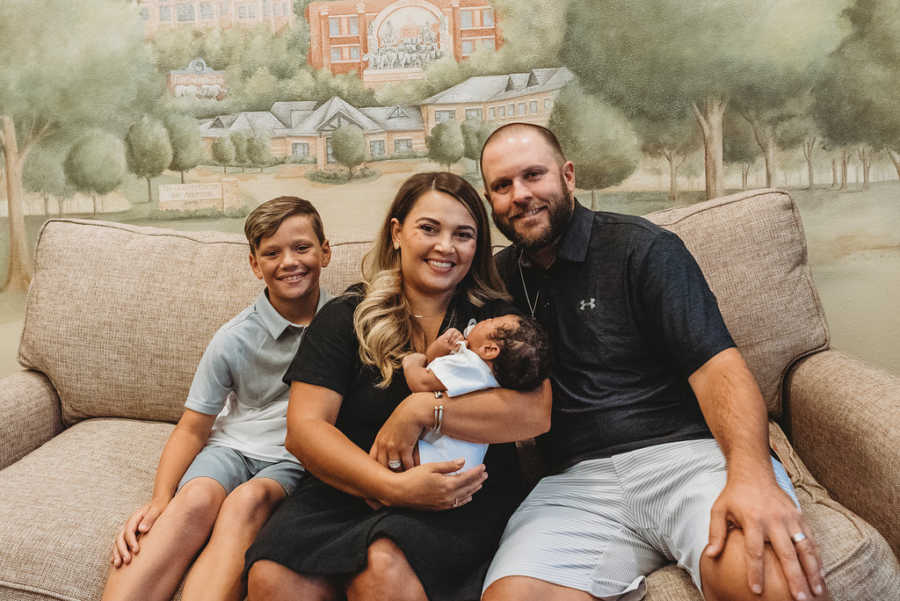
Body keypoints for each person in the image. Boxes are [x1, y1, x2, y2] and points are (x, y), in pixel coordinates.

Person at [477, 123, 829, 601]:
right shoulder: (496, 282)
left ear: (568, 176)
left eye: (533, 175)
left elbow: (719, 370)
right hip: (573, 485)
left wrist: (752, 477)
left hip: (687, 458)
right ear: (490, 199)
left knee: (771, 582)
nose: (520, 195)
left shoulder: (642, 248)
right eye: (502, 185)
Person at [244, 172, 552, 601]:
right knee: (273, 579)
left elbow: (536, 414)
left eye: (463, 235)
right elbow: (304, 429)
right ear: (397, 233)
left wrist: (424, 409)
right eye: (429, 228)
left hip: (456, 494)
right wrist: (389, 487)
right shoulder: (346, 314)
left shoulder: (494, 320)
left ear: (476, 248)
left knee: (381, 568)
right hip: (348, 488)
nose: (445, 246)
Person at [102, 196, 333, 601]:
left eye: (301, 247)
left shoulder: (346, 323)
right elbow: (193, 428)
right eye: (272, 253)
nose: (289, 262)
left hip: (291, 459)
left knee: (248, 501)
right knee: (195, 499)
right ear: (254, 264)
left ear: (325, 252)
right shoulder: (234, 337)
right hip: (231, 446)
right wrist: (160, 500)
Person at [402, 314, 551, 468]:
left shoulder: (471, 365)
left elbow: (421, 382)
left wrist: (411, 363)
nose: (486, 319)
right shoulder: (485, 374)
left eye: (492, 321)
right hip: (459, 464)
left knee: (391, 458)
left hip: (438, 458)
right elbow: (434, 365)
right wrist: (442, 347)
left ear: (489, 349)